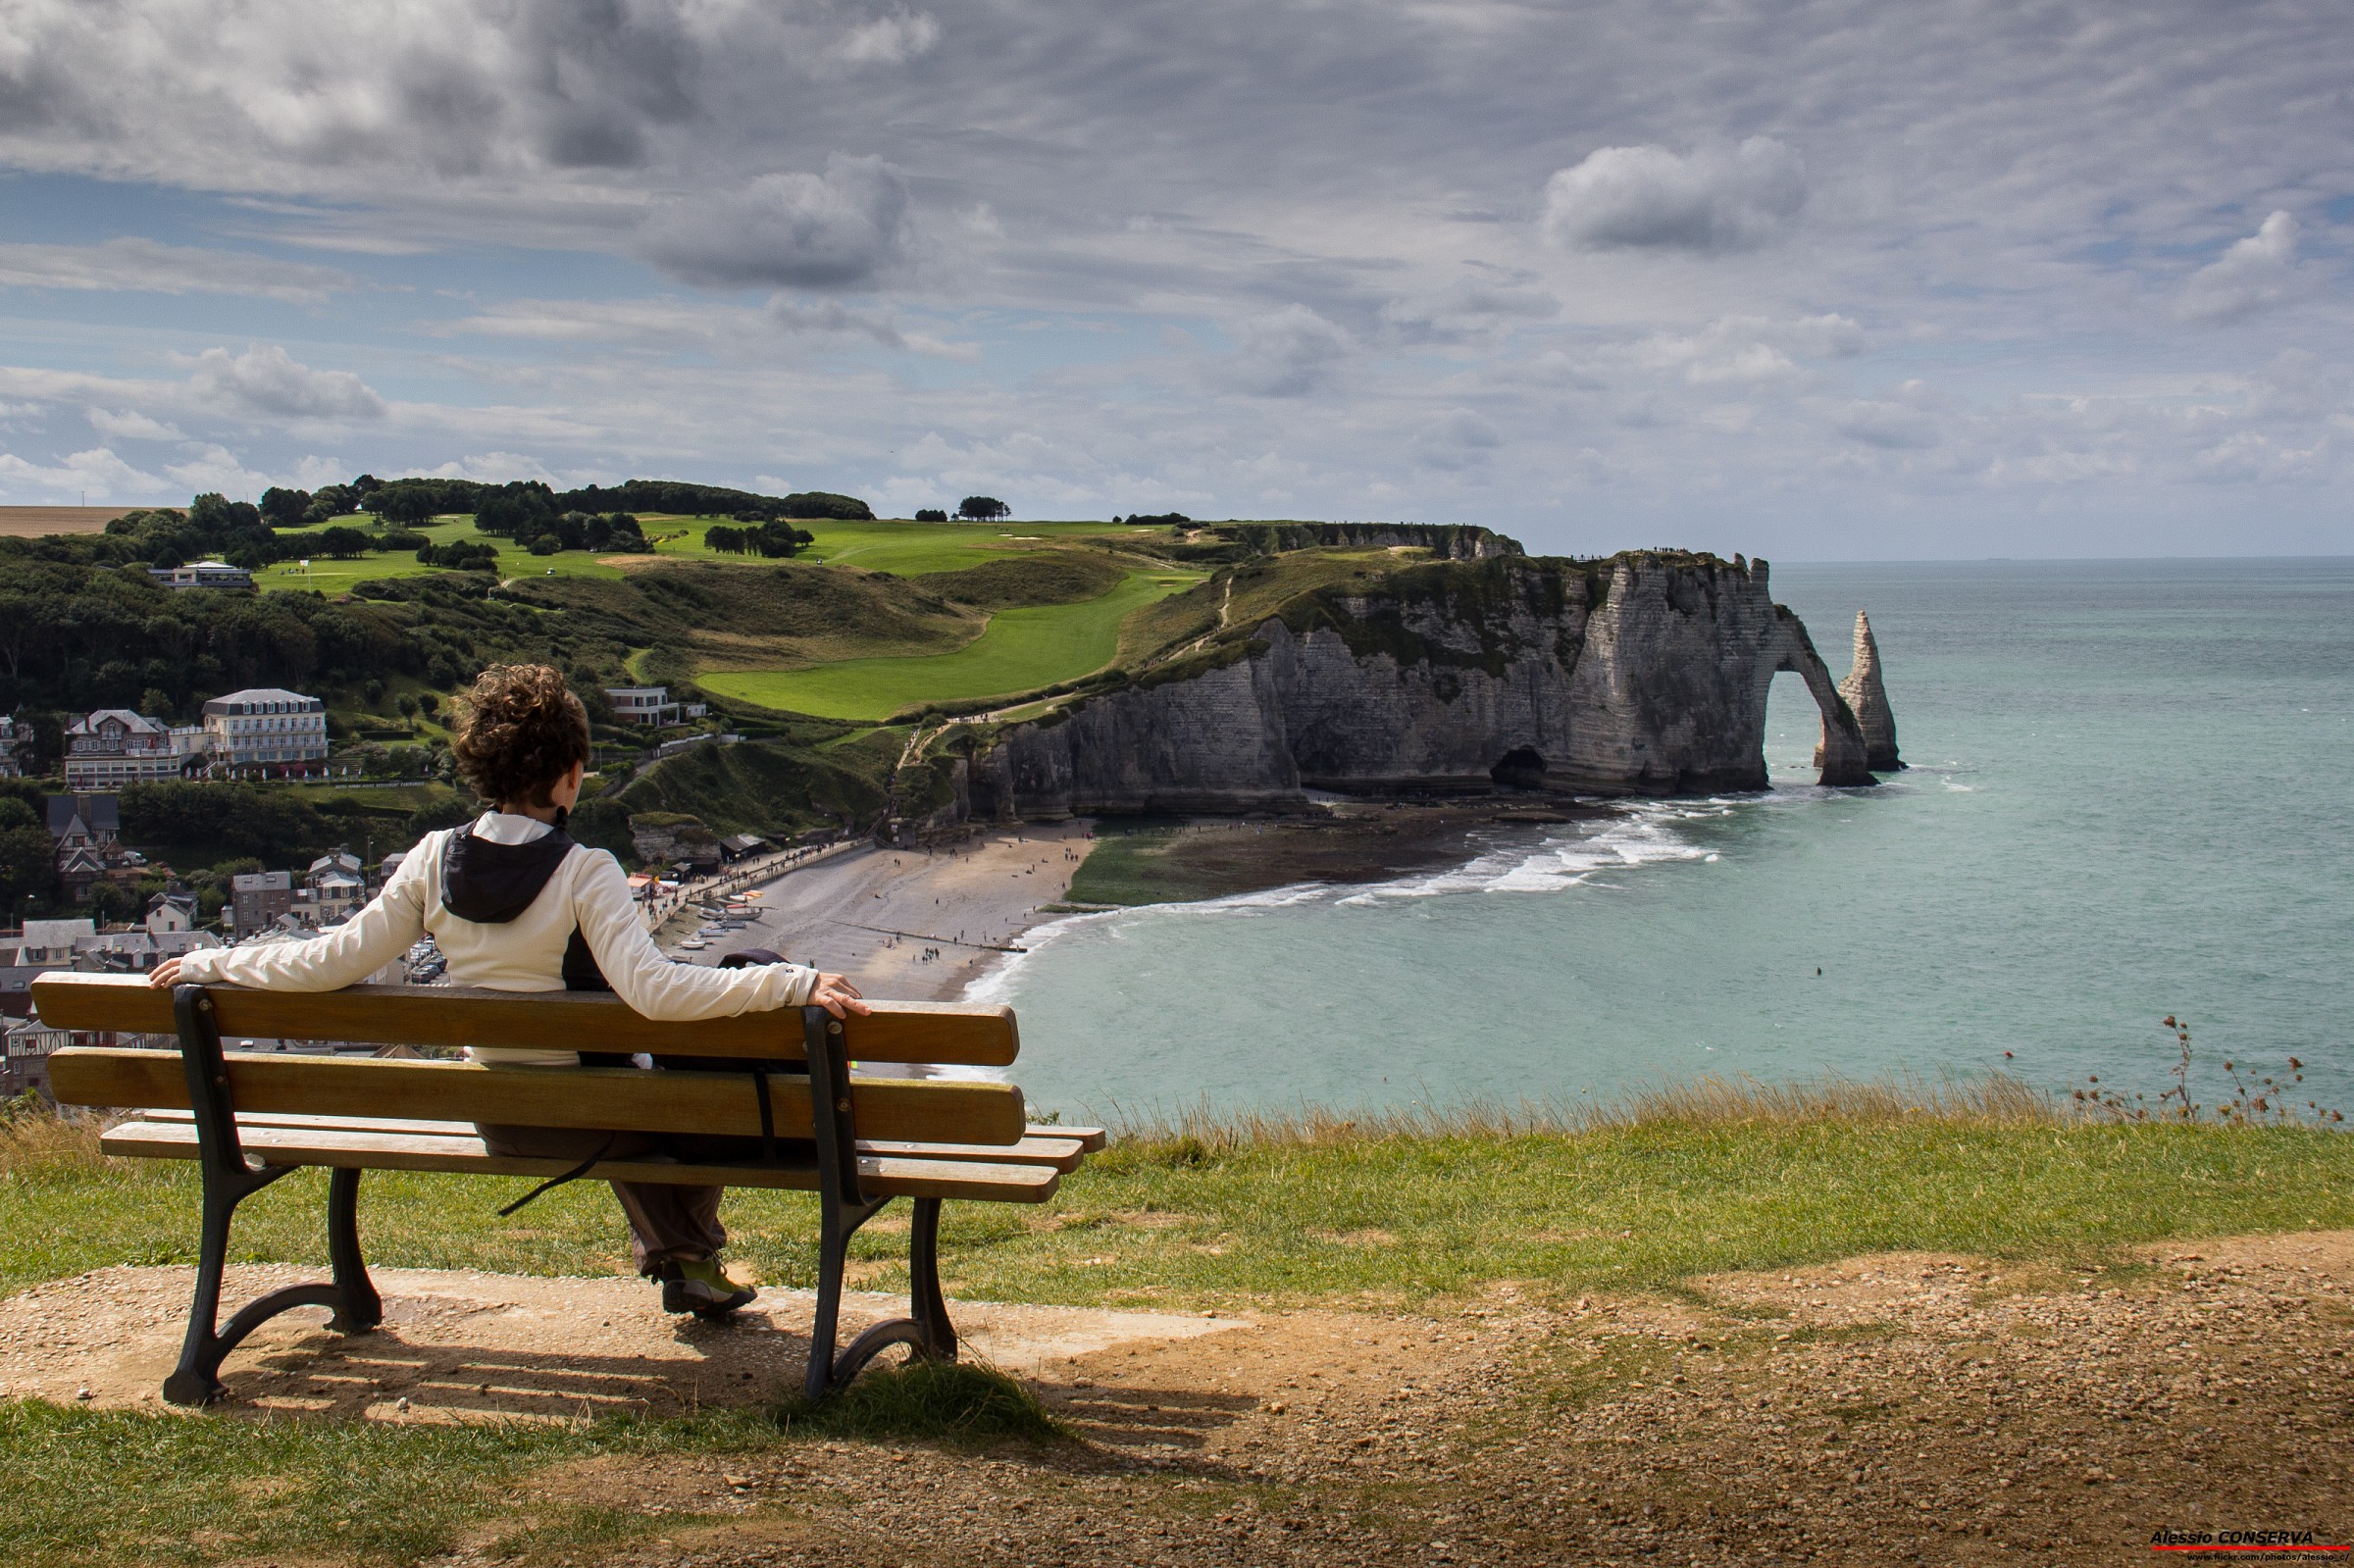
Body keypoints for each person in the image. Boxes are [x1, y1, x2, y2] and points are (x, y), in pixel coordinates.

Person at [150, 664, 868, 1318]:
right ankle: (691, 1252)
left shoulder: (430, 859)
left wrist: (215, 963)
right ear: (564, 777)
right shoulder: (585, 869)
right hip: (607, 1117)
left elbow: (328, 962)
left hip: (501, 1113)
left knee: (631, 1082)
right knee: (687, 1080)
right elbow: (655, 991)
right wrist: (791, 980)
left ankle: (688, 1257)